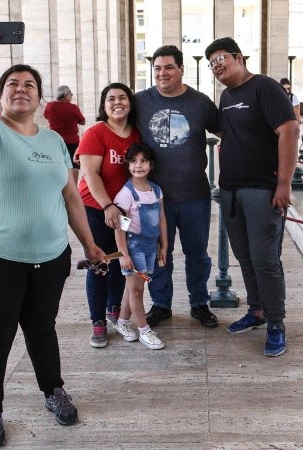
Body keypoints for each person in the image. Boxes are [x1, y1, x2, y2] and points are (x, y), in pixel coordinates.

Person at [0, 20, 106, 448]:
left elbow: (71, 196)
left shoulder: (55, 142)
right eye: (12, 84)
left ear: (41, 98)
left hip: (50, 255)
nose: (20, 89)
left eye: (29, 84)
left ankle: (53, 391)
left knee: (42, 328)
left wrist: (88, 243)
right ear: (0, 96)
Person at [205, 37, 299, 357]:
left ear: (239, 57)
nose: (217, 66)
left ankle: (276, 322)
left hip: (262, 190)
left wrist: (284, 183)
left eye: (221, 59)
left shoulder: (265, 87)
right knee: (245, 257)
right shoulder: (226, 96)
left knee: (265, 260)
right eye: (211, 64)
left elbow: (289, 130)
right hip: (230, 190)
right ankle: (257, 311)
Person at [134, 45, 221, 329]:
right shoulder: (141, 101)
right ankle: (161, 304)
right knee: (160, 253)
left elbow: (227, 133)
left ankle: (199, 303)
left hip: (195, 195)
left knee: (197, 254)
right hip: (154, 199)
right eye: (157, 68)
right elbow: (117, 126)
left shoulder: (200, 102)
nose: (162, 73)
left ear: (181, 69)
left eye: (169, 67)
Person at [76, 82, 141, 348]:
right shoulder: (95, 133)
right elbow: (90, 174)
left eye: (122, 97)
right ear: (104, 105)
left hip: (126, 209)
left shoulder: (137, 135)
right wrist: (107, 206)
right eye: (111, 98)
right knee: (99, 263)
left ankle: (114, 308)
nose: (117, 102)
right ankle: (97, 322)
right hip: (95, 207)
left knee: (120, 259)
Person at [113, 142, 168, 349]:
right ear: (127, 165)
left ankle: (121, 322)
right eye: (134, 161)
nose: (139, 165)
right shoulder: (126, 194)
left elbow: (162, 218)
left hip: (150, 246)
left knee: (134, 286)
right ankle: (144, 330)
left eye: (143, 161)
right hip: (133, 247)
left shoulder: (156, 190)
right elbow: (119, 228)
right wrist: (123, 255)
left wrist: (164, 245)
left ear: (151, 165)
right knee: (136, 290)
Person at [44, 85, 86, 180]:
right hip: (72, 141)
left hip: (55, 140)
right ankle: (73, 187)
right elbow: (83, 122)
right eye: (70, 94)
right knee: (74, 164)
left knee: (58, 164)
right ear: (66, 95)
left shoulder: (50, 106)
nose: (71, 96)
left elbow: (46, 116)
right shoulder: (73, 108)